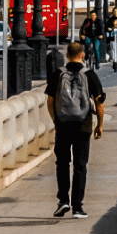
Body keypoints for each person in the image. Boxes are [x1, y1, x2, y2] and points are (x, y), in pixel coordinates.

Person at [46, 41, 106, 219]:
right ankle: (78, 208)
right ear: (82, 55)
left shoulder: (58, 74)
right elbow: (99, 103)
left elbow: (50, 102)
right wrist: (100, 125)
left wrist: (56, 120)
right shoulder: (89, 75)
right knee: (80, 166)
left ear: (67, 55)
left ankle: (63, 200)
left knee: (62, 163)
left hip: (63, 125)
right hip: (83, 125)